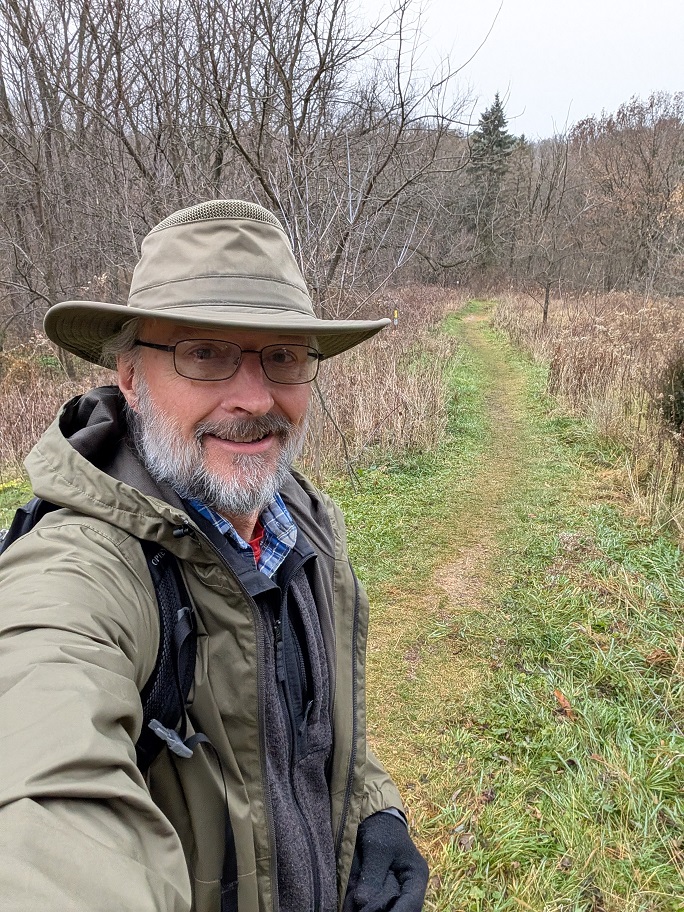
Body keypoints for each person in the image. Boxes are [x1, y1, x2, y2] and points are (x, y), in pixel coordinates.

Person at [0, 199, 428, 912]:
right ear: (131, 376)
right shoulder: (76, 576)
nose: (255, 397)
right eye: (205, 353)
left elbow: (292, 718)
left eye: (283, 357)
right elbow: (43, 798)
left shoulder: (303, 529)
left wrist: (375, 809)